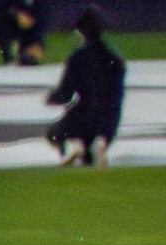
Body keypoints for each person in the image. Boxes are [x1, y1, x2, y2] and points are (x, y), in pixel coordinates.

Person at [48, 6, 124, 166]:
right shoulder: (114, 60)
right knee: (90, 155)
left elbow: (65, 93)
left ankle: (73, 144)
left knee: (54, 132)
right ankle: (100, 143)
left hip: (82, 118)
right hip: (108, 121)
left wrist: (51, 97)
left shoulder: (78, 58)